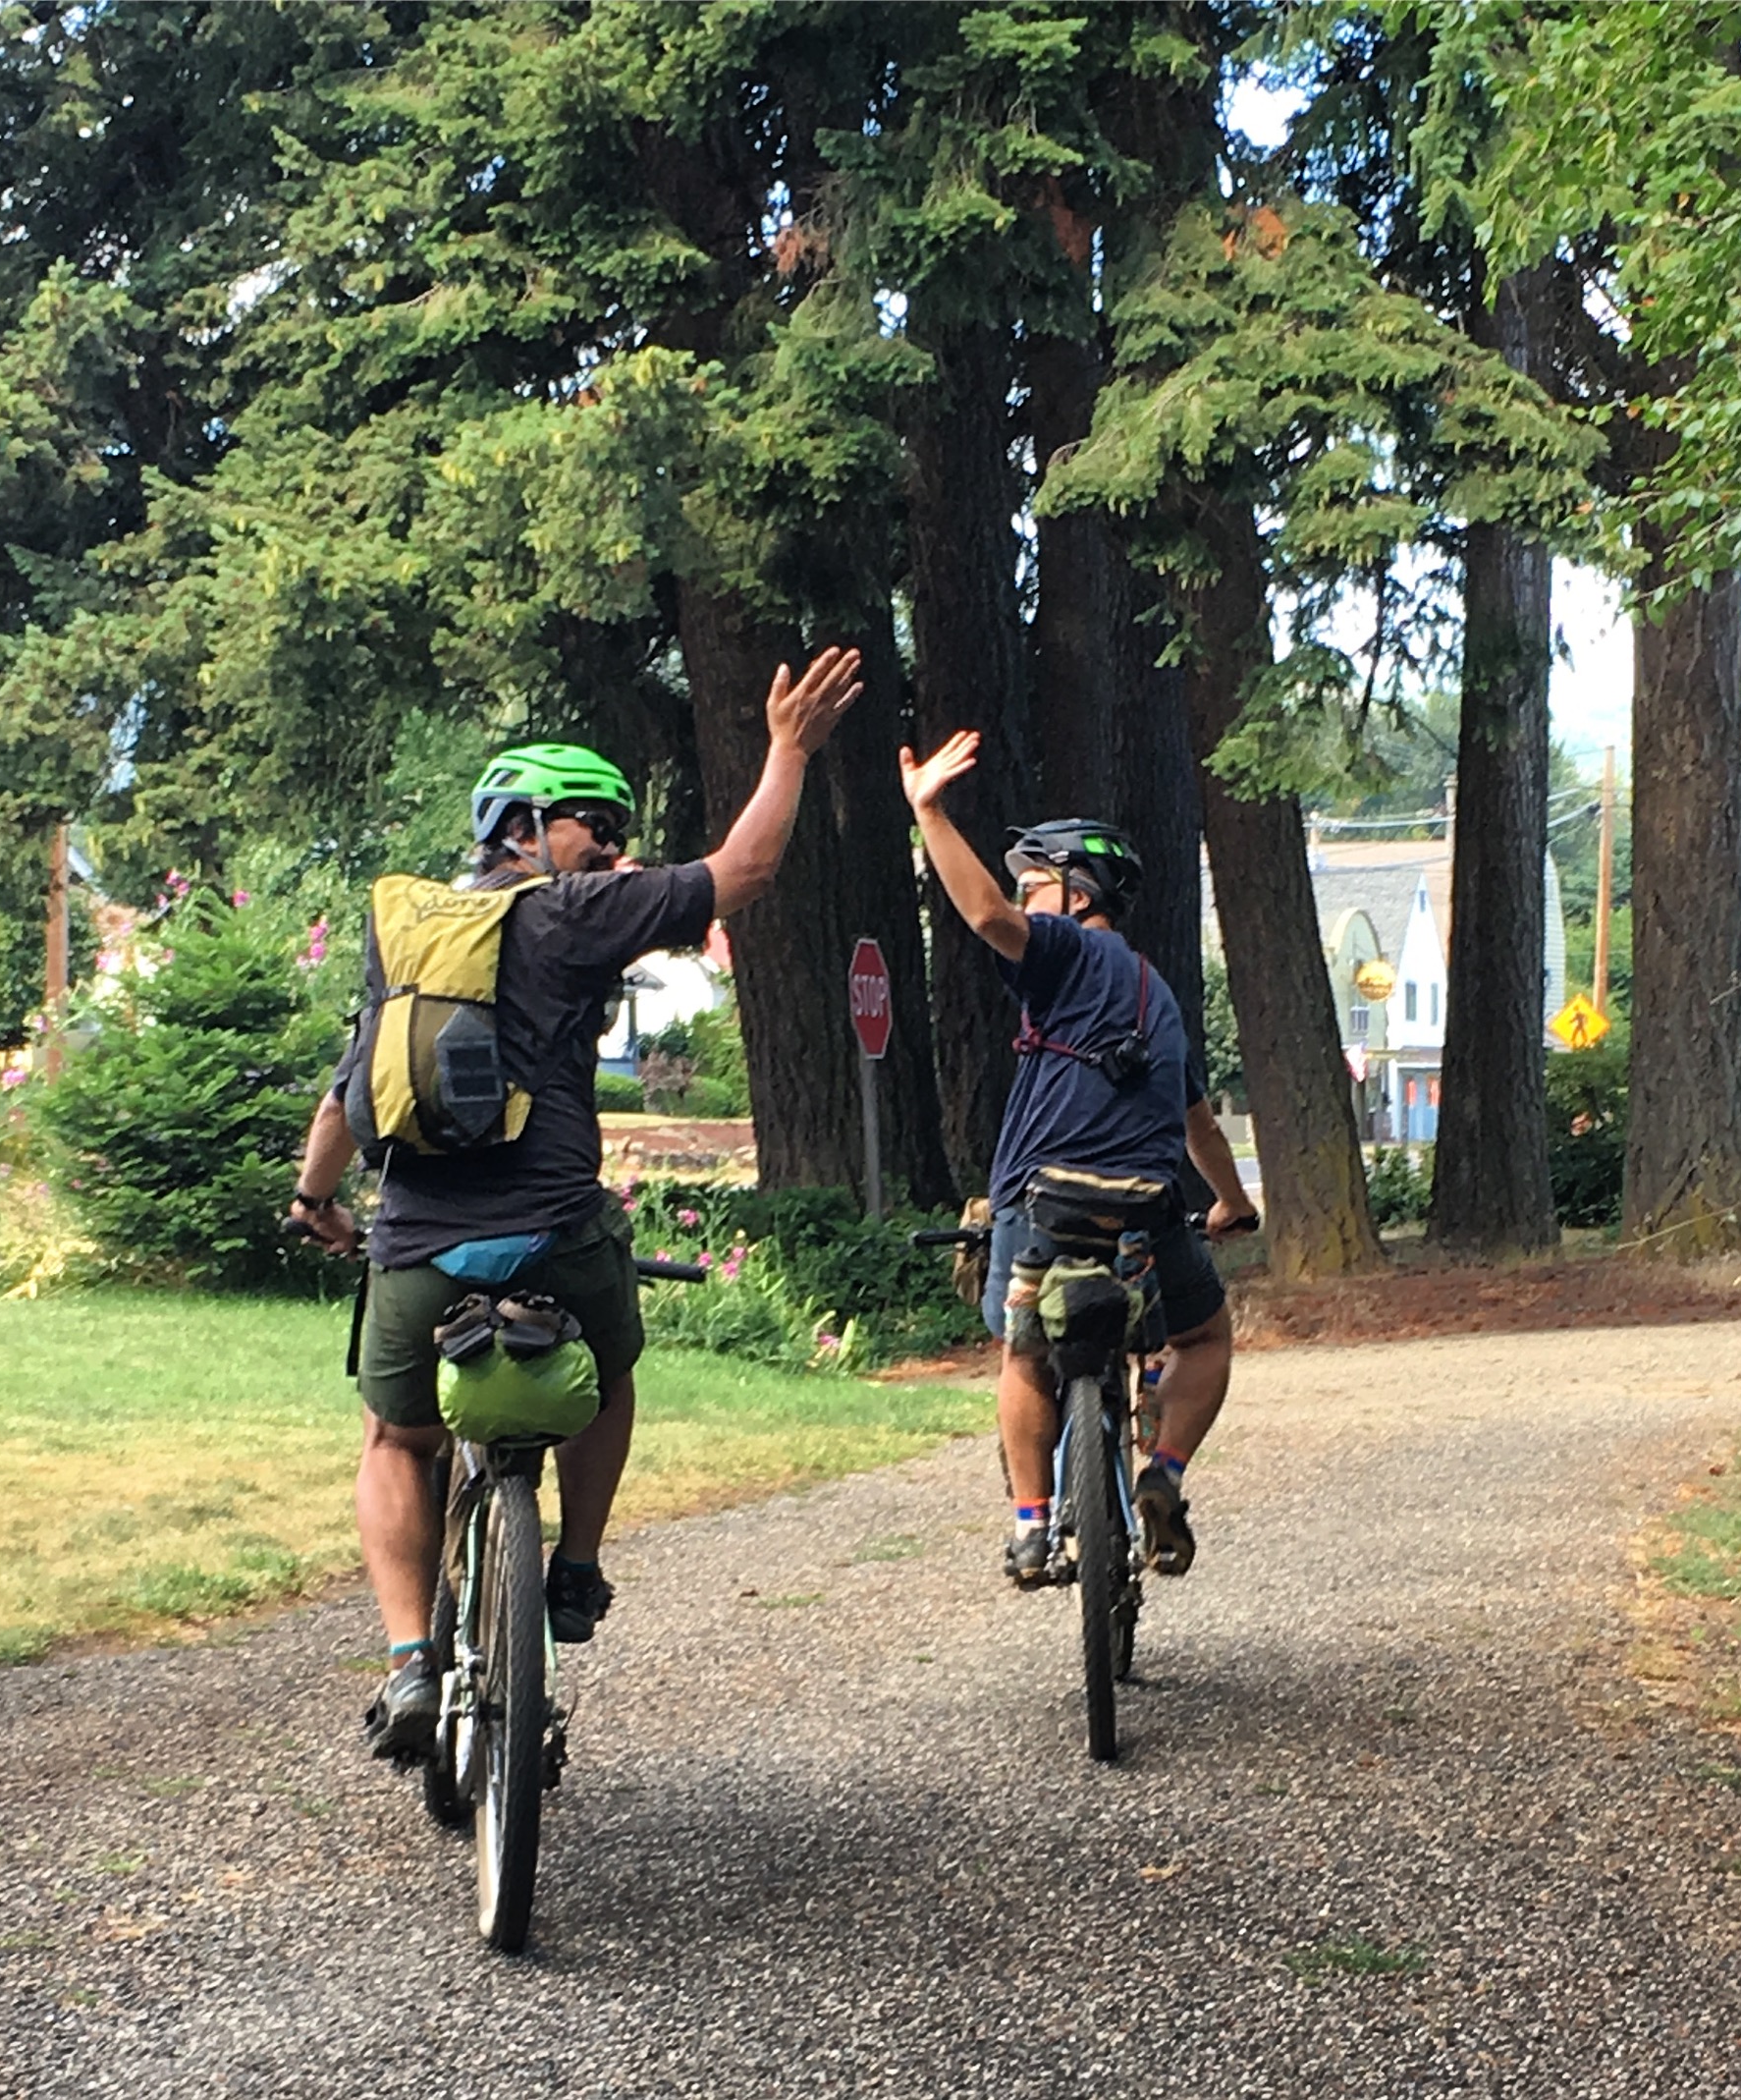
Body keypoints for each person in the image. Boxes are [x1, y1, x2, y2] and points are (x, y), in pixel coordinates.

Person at [295, 647, 862, 1756]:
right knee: (606, 1370)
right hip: (556, 1229)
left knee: (392, 1437)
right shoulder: (572, 911)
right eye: (590, 819)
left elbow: (349, 1087)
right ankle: (575, 1566)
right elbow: (741, 869)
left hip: (414, 1241)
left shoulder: (402, 929)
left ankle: (413, 1664)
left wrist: (315, 1200)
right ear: (525, 826)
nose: (607, 840)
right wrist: (786, 749)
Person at [898, 729, 1257, 1584]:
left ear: (1077, 893)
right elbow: (1200, 1126)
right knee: (1203, 1338)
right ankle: (1161, 1473)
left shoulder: (1065, 950)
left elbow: (984, 916)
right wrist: (1233, 1205)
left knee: (1024, 1350)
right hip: (1146, 1206)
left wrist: (930, 813)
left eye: (1034, 887)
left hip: (1039, 1204)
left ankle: (1029, 1526)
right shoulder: (1154, 993)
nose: (1022, 901)